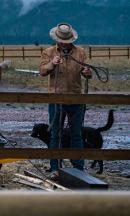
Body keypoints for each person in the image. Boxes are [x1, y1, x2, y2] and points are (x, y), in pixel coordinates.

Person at [39, 23, 92, 176]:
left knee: (76, 134)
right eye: (61, 40)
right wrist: (51, 64)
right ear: (57, 39)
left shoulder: (80, 53)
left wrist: (87, 72)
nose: (64, 43)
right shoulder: (48, 52)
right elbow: (42, 71)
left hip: (76, 98)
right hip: (56, 99)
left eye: (66, 40)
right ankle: (55, 167)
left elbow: (86, 73)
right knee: (56, 134)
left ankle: (78, 168)